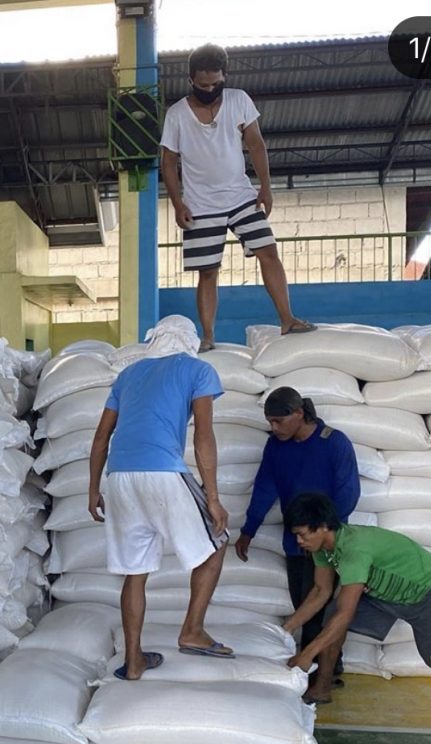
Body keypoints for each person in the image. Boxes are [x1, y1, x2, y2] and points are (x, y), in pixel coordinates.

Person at [283, 492, 431, 733]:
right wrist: (286, 629)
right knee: (332, 613)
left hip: (428, 591)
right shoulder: (322, 549)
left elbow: (345, 615)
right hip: (386, 595)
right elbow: (320, 591)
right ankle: (322, 688)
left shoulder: (354, 550)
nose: (299, 541)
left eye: (302, 534)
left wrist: (307, 653)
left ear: (323, 527)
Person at [88, 315, 232, 680]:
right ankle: (193, 631)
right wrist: (211, 497)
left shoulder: (128, 375)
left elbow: (102, 436)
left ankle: (134, 660)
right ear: (189, 341)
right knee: (217, 541)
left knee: (135, 574)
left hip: (119, 477)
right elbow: (203, 435)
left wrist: (93, 489)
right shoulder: (197, 370)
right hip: (162, 472)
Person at [159, 43, 316, 352]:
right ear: (191, 80)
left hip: (241, 196)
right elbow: (168, 161)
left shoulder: (239, 100)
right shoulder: (176, 114)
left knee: (268, 251)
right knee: (208, 272)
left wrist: (266, 188)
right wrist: (178, 205)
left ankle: (287, 319)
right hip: (200, 204)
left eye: (216, 83)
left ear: (224, 76)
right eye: (203, 85)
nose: (210, 89)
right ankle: (207, 338)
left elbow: (256, 144)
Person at [236, 387, 360, 677]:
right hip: (296, 543)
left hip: (329, 543)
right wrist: (248, 530)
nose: (273, 428)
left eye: (279, 421)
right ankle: (318, 667)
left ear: (299, 414)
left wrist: (324, 536)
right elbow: (265, 486)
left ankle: (323, 671)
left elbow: (348, 493)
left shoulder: (334, 443)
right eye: (270, 422)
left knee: (323, 606)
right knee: (303, 604)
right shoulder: (276, 447)